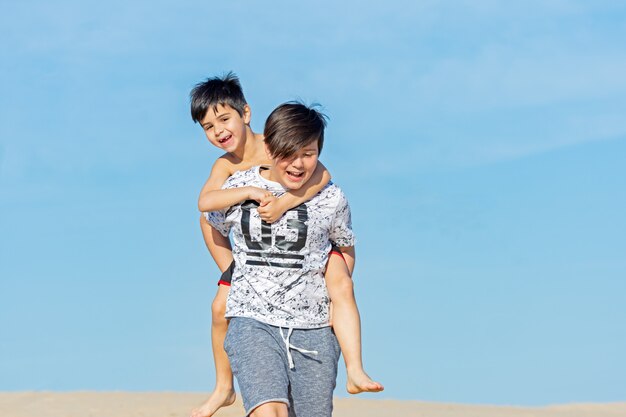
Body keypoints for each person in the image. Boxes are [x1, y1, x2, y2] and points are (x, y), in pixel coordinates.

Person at [189, 74, 382, 417]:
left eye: (224, 119)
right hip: (248, 273)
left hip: (308, 277)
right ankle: (223, 387)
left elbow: (321, 175)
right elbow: (205, 205)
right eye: (208, 127)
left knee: (341, 286)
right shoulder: (225, 166)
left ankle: (355, 367)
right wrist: (247, 198)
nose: (218, 131)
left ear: (245, 113)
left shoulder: (276, 144)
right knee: (220, 307)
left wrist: (286, 202)